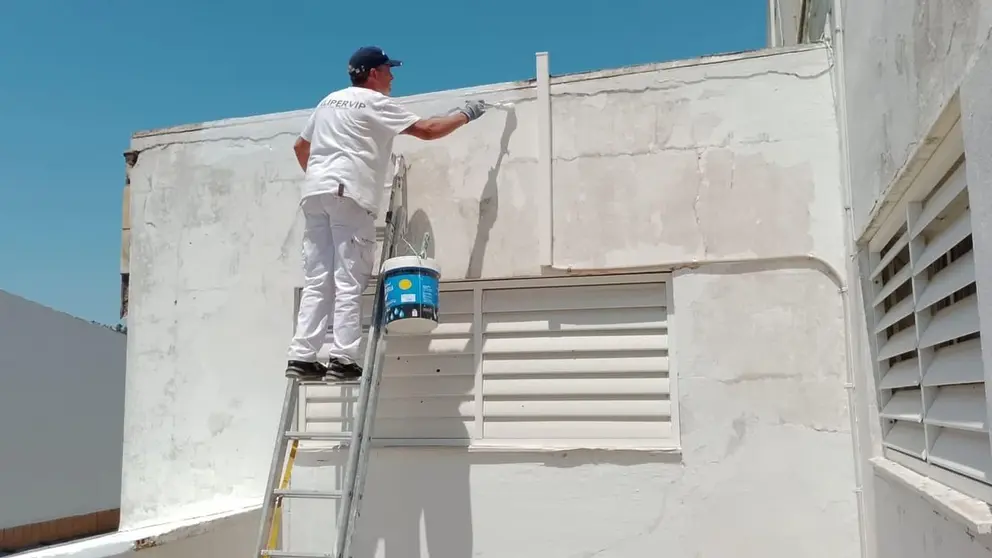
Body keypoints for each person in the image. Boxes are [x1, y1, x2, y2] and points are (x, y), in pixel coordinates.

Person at [285, 46, 487, 382]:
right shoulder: (374, 102)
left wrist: (322, 177)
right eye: (388, 69)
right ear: (373, 72)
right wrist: (466, 113)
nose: (392, 76)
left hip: (316, 194)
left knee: (318, 279)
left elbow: (300, 147)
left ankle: (302, 356)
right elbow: (428, 130)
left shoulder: (328, 101)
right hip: (348, 195)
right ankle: (342, 359)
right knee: (349, 278)